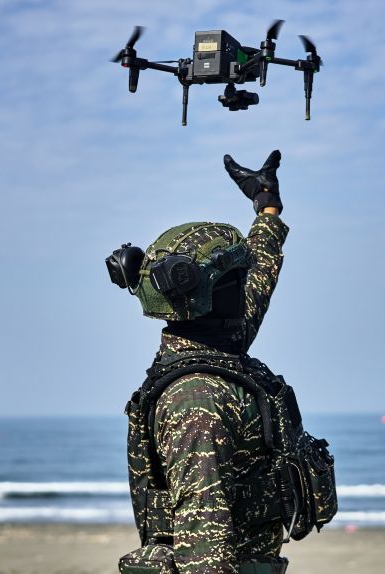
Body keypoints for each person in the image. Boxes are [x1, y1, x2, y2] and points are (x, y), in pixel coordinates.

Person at [112, 151, 335, 574]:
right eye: (239, 277)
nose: (249, 282)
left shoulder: (220, 341)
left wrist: (266, 203)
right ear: (223, 292)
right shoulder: (196, 402)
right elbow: (204, 546)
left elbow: (260, 273)